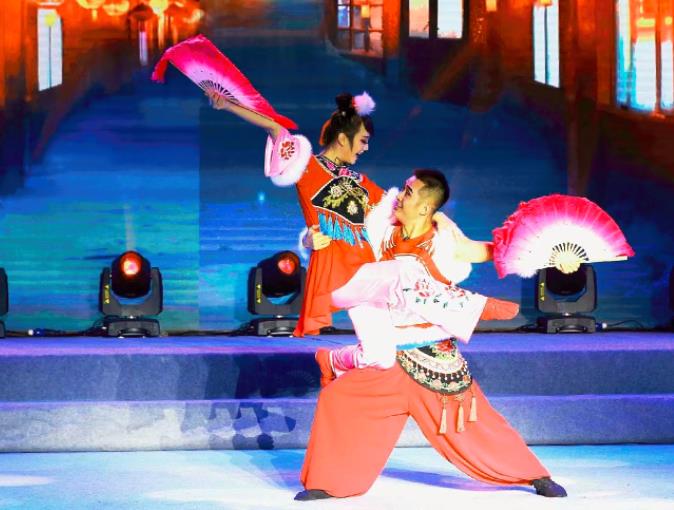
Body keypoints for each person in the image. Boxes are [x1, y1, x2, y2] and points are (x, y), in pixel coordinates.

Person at [295, 169, 568, 500]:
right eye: (403, 189)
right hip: (387, 355)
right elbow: (335, 236)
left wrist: (550, 258)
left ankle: (534, 475)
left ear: (425, 207)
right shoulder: (379, 230)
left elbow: (496, 251)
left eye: (408, 192)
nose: (399, 196)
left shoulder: (445, 241)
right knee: (338, 399)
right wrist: (310, 241)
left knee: (475, 426)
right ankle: (328, 482)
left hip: (432, 358)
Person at [208, 91, 516, 342]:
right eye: (363, 140)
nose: (366, 148)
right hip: (340, 277)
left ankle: (336, 363)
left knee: (383, 354)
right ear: (343, 138)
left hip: (369, 277)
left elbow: (408, 210)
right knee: (403, 273)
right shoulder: (308, 169)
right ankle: (474, 307)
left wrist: (443, 222)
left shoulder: (362, 183)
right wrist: (229, 105)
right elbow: (276, 129)